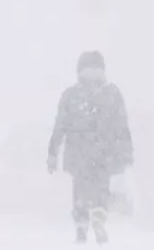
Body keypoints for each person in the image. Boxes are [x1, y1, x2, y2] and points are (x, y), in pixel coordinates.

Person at [47, 51, 133, 244]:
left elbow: (60, 125)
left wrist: (52, 153)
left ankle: (81, 222)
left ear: (80, 69)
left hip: (77, 152)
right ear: (102, 70)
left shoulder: (71, 95)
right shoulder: (112, 93)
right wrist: (127, 152)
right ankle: (99, 216)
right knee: (102, 186)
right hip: (104, 152)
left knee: (79, 186)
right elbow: (122, 125)